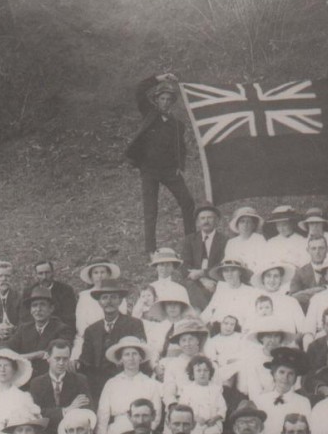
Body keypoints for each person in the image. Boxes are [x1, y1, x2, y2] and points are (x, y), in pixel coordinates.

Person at [125, 72, 195, 250]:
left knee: (188, 202)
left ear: (172, 102)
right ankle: (150, 249)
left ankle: (191, 242)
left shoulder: (178, 124)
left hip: (170, 171)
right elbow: (140, 90)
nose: (165, 102)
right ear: (156, 100)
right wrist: (159, 78)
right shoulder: (149, 114)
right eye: (162, 98)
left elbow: (181, 147)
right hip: (149, 171)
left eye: (168, 99)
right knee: (151, 210)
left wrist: (180, 165)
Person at [77, 279, 148, 401]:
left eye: (113, 297)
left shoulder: (134, 324)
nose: (109, 302)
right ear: (99, 302)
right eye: (104, 298)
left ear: (120, 301)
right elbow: (86, 361)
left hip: (126, 378)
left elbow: (141, 352)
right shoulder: (91, 330)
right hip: (98, 383)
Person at [94, 337, 162, 434]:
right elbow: (103, 414)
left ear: (141, 358)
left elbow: (156, 414)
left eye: (135, 354)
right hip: (116, 432)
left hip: (143, 432)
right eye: (127, 354)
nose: (131, 358)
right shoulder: (112, 383)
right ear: (121, 359)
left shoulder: (150, 383)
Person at [28, 339, 92, 434]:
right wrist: (66, 410)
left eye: (65, 359)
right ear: (48, 357)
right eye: (57, 359)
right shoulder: (36, 383)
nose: (61, 363)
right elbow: (37, 414)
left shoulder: (80, 380)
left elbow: (87, 410)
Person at [7, 285, 75, 379]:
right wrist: (36, 355)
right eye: (34, 305)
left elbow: (57, 353)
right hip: (24, 378)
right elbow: (5, 349)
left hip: (50, 380)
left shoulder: (61, 329)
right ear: (30, 310)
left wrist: (20, 357)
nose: (38, 309)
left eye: (42, 305)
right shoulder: (24, 329)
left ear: (51, 309)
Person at [252, 348, 312, 434]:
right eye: (281, 372)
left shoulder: (303, 402)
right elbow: (256, 429)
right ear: (274, 374)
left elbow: (305, 431)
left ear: (295, 379)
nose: (285, 377)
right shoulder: (261, 400)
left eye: (291, 374)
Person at [72, 259, 129, 362]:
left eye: (103, 272)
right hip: (89, 338)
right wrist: (94, 337)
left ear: (108, 274)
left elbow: (122, 320)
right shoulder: (84, 296)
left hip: (115, 337)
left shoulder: (119, 296)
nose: (100, 276)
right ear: (91, 276)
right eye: (96, 273)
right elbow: (81, 324)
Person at [181, 202, 228, 307]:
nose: (206, 221)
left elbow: (223, 264)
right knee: (190, 285)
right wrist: (202, 278)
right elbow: (184, 265)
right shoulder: (190, 240)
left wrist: (203, 273)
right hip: (195, 280)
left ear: (216, 220)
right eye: (202, 218)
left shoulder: (224, 240)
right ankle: (205, 317)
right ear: (198, 222)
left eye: (210, 218)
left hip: (215, 278)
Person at [176, 356, 227, 434]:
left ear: (210, 373)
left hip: (212, 424)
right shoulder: (188, 390)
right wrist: (195, 417)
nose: (202, 373)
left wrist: (216, 418)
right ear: (192, 373)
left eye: (205, 370)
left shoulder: (216, 389)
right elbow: (183, 409)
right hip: (194, 424)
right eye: (198, 371)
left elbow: (222, 408)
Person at [250, 261, 305, 337]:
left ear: (281, 279)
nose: (272, 280)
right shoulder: (254, 301)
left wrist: (293, 342)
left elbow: (303, 329)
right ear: (263, 279)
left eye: (276, 276)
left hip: (286, 346)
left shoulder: (291, 302)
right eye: (268, 276)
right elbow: (248, 328)